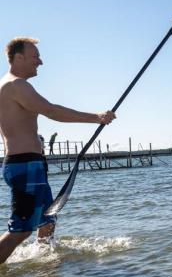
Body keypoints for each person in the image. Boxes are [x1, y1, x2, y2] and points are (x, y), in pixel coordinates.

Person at [0, 37, 116, 264]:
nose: (40, 62)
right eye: (35, 57)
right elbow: (51, 111)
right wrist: (96, 118)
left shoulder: (8, 85)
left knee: (47, 221)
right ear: (18, 57)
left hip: (28, 164)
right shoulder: (15, 85)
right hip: (24, 166)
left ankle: (45, 275)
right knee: (21, 230)